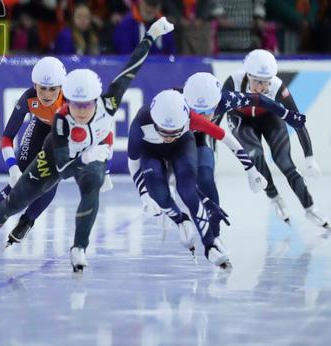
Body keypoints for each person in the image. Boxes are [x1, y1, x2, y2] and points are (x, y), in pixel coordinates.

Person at [0, 17, 175, 271]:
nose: (80, 110)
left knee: (91, 190)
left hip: (90, 154)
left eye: (86, 104)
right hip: (59, 154)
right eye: (75, 103)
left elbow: (131, 68)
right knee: (15, 201)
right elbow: (62, 163)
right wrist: (86, 159)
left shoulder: (109, 103)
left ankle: (78, 248)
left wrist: (150, 35)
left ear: (98, 100)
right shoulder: (62, 119)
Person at [126, 89, 267, 269]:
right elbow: (134, 163)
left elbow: (226, 138)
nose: (168, 137)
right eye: (164, 132)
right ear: (154, 120)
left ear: (185, 121)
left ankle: (210, 245)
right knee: (158, 193)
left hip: (182, 148)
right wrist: (143, 194)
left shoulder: (192, 118)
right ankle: (180, 219)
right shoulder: (140, 124)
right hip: (150, 152)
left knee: (187, 191)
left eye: (175, 131)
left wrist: (251, 169)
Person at [181, 71, 308, 242]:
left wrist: (286, 115)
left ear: (217, 102)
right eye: (196, 111)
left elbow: (260, 100)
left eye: (209, 110)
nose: (203, 117)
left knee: (207, 180)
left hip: (205, 138)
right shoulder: (175, 103)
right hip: (180, 139)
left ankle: (215, 239)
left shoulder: (226, 98)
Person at [223, 50, 328, 229]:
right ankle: (275, 198)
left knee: (285, 163)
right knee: (255, 154)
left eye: (266, 82)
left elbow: (298, 121)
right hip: (241, 119)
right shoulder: (233, 82)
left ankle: (310, 207)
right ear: (248, 76)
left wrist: (309, 157)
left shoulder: (277, 86)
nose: (262, 87)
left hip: (269, 117)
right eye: (257, 81)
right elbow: (216, 116)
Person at [0, 56, 67, 247]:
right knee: (19, 177)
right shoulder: (29, 97)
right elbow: (6, 137)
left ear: (62, 87)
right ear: (34, 85)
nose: (46, 94)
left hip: (62, 134)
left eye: (53, 88)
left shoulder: (73, 100)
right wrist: (12, 168)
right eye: (42, 87)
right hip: (40, 126)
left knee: (51, 178)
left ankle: (27, 220)